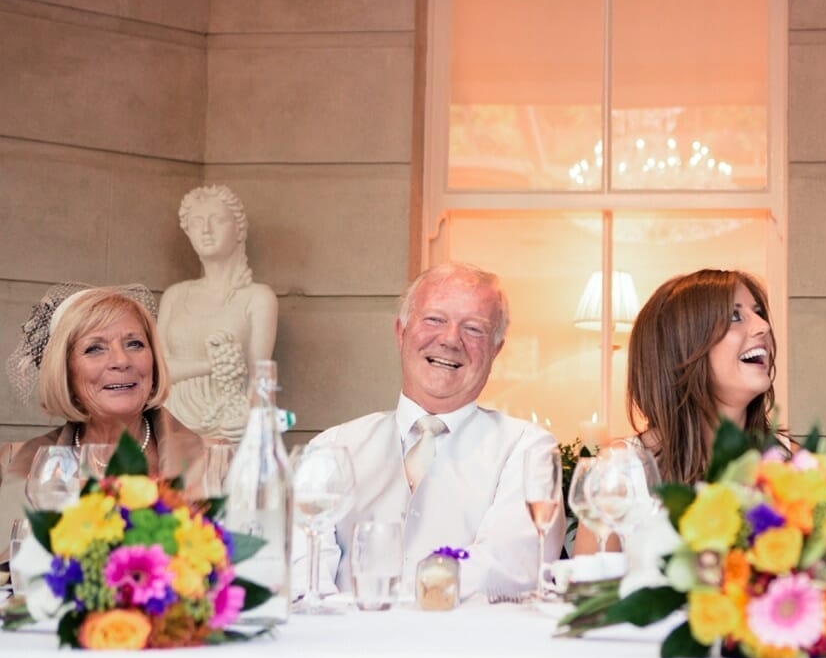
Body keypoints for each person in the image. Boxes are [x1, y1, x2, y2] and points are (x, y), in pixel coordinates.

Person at [293, 262, 565, 600]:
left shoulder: (528, 449)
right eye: (435, 319)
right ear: (400, 332)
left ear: (496, 350)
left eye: (474, 329)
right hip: (344, 645)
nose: (451, 339)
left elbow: (514, 563)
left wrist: (385, 599)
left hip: (467, 649)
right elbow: (302, 565)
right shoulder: (332, 447)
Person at [574, 269, 779, 556]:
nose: (763, 327)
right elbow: (589, 593)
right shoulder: (621, 471)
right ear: (683, 347)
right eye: (735, 316)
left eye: (759, 313)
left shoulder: (787, 463)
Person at [0, 285, 209, 547]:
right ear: (64, 371)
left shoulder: (212, 461)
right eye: (94, 349)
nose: (121, 360)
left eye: (134, 344)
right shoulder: (14, 464)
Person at [158, 184, 278, 443]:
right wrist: (212, 365)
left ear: (239, 229)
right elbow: (157, 369)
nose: (206, 230)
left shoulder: (258, 298)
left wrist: (250, 417)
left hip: (228, 427)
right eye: (196, 222)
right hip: (171, 424)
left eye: (218, 220)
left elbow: (260, 377)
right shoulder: (174, 296)